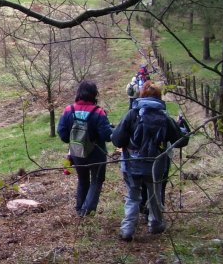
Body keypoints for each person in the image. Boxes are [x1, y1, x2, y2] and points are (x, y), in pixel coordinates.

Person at [111, 81, 189, 241]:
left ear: (141, 96)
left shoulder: (132, 115)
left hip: (132, 165)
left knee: (133, 196)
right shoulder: (164, 117)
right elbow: (181, 141)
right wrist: (184, 129)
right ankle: (155, 224)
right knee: (155, 194)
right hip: (156, 166)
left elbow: (117, 140)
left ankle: (127, 230)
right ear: (159, 97)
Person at [57, 80, 113, 216]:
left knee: (82, 180)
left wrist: (74, 140)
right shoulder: (99, 112)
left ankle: (79, 209)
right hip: (97, 154)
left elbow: (62, 133)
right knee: (97, 180)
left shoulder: (69, 110)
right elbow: (107, 136)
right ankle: (87, 211)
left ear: (79, 93)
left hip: (77, 153)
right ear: (94, 94)